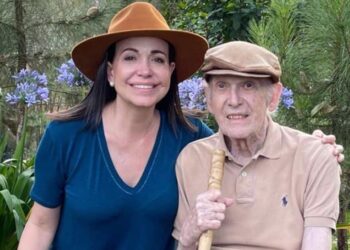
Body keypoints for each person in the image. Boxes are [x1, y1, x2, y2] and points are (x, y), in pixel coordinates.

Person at [18, 2, 342, 250]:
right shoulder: (66, 137)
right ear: (111, 72)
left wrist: (314, 149)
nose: (145, 70)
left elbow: (248, 132)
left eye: (157, 59)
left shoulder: (191, 141)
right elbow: (41, 226)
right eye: (130, 57)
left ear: (171, 71)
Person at [173, 41, 342, 250]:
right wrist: (189, 234)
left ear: (274, 97)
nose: (234, 100)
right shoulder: (191, 159)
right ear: (208, 98)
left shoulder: (314, 156)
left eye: (248, 85)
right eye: (222, 86)